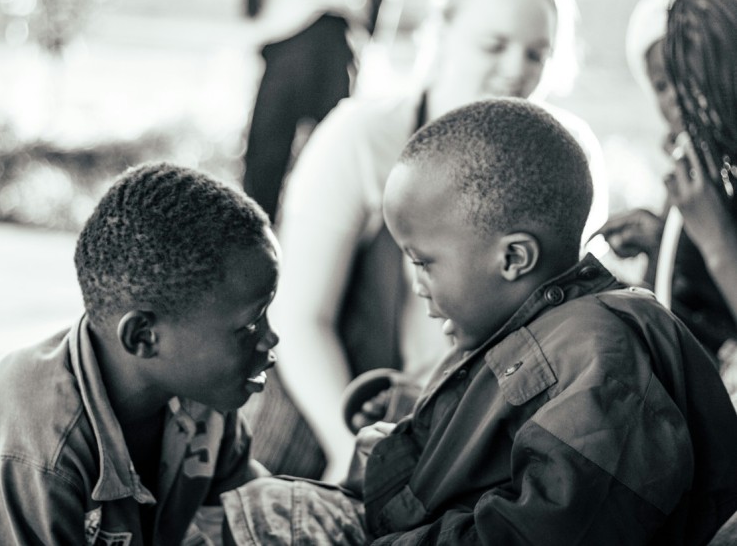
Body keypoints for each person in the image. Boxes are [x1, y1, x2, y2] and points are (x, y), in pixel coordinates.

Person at [221, 98, 737, 545]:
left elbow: (547, 531)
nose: (416, 280)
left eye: (424, 262)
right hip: (402, 522)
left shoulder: (603, 360)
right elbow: (504, 436)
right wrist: (409, 411)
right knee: (255, 505)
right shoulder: (537, 327)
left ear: (513, 259)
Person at [243, 0, 609, 483]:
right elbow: (301, 315)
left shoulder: (571, 159)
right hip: (354, 410)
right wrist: (351, 448)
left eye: (536, 54)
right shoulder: (360, 137)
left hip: (482, 433)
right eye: (493, 45)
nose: (515, 70)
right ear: (441, 32)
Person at [0, 163, 280, 544]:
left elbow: (249, 520)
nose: (271, 339)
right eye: (249, 325)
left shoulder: (203, 402)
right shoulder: (37, 455)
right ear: (143, 337)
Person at [594, 0, 737, 365]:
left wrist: (716, 239)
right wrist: (661, 239)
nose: (683, 96)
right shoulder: (701, 170)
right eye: (663, 83)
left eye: (696, 78)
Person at [240, 0, 383, 222]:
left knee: (272, 157)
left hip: (302, 33)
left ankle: (260, 236)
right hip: (322, 33)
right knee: (330, 154)